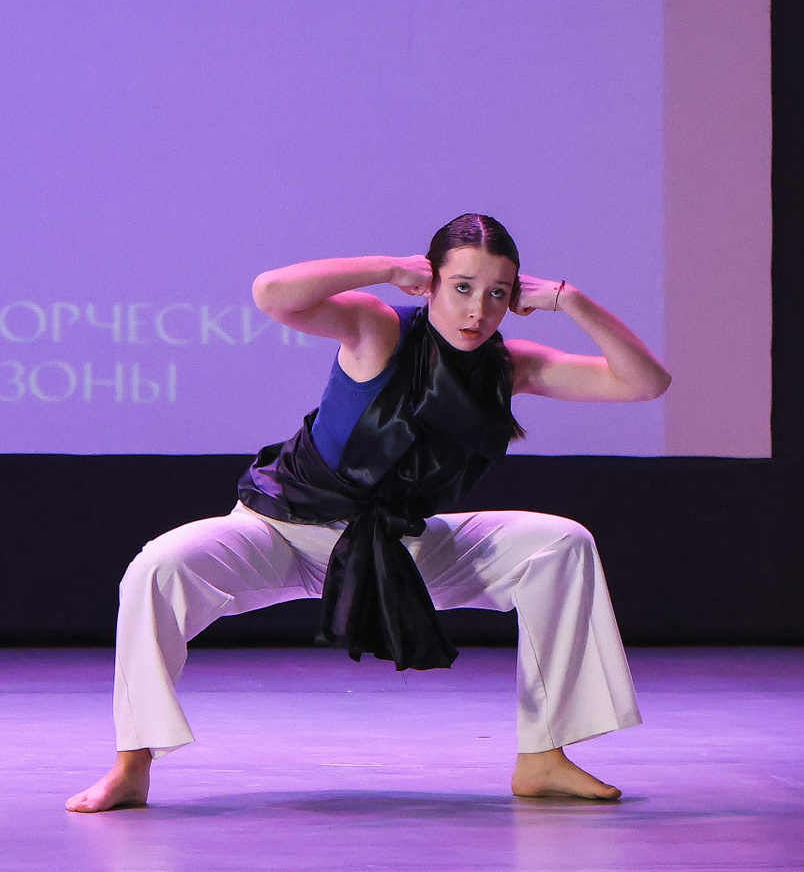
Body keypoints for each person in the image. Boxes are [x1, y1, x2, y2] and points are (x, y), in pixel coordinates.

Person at [66, 214, 670, 813]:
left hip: (396, 547)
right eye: (461, 287)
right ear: (430, 282)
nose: (477, 311)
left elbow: (645, 383)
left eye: (496, 294)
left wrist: (571, 300)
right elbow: (270, 293)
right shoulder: (378, 329)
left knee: (560, 543)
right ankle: (131, 766)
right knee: (157, 567)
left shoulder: (509, 367)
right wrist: (386, 268)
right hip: (283, 530)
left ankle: (542, 758)